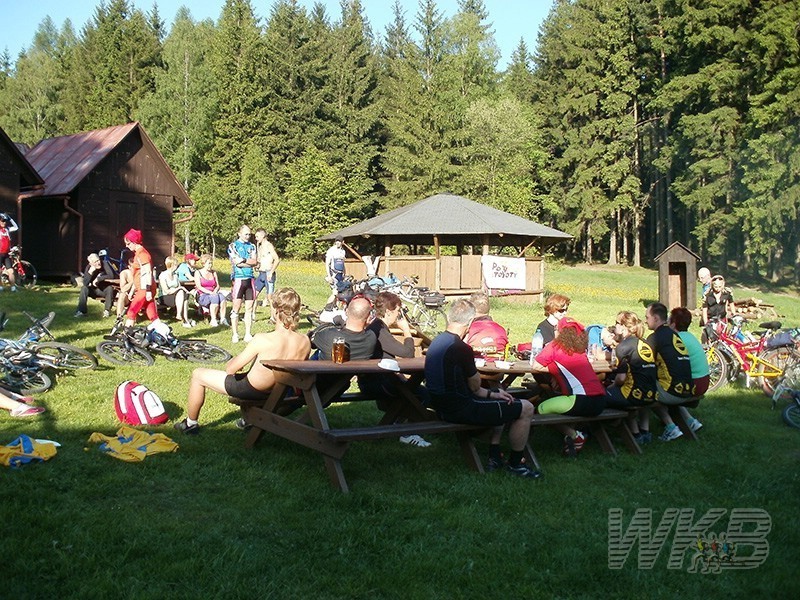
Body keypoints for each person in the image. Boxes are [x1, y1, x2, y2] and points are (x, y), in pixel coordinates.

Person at [424, 299, 541, 479]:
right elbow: (475, 385)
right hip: (461, 409)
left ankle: (494, 455)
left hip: (441, 406)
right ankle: (516, 464)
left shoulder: (437, 341)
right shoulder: (461, 348)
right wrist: (490, 392)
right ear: (470, 322)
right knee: (526, 407)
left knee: (498, 401)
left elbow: (477, 390)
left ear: (448, 317)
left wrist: (493, 393)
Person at [174, 287, 311, 434]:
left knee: (198, 374)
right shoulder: (305, 341)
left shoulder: (263, 339)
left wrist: (233, 363)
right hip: (280, 390)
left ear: (276, 310)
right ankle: (249, 420)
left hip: (252, 389)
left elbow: (231, 369)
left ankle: (190, 424)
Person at [357, 291, 430, 448]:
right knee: (422, 394)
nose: (399, 315)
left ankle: (399, 424)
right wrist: (406, 331)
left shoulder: (377, 327)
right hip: (378, 383)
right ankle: (407, 432)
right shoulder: (380, 330)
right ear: (389, 311)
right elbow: (407, 353)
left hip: (374, 380)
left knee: (416, 392)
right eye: (398, 311)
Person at [530, 316, 607, 457]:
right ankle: (573, 437)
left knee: (539, 409)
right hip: (600, 401)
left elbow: (536, 365)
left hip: (579, 400)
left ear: (559, 331)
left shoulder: (555, 346)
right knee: (561, 404)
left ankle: (574, 435)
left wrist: (555, 370)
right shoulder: (580, 351)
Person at [603, 311, 658, 444]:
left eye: (616, 324)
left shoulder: (623, 347)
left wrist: (610, 387)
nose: (614, 327)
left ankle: (634, 434)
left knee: (601, 395)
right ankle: (644, 432)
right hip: (652, 393)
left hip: (634, 394)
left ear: (622, 327)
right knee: (636, 394)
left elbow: (621, 379)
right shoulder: (645, 343)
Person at [645, 302, 695, 441]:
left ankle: (671, 427)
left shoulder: (655, 338)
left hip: (674, 391)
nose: (645, 320)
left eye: (647, 317)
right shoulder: (673, 335)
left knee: (644, 390)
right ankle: (689, 421)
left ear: (655, 318)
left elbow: (645, 364)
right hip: (689, 389)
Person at [669, 307, 707, 432]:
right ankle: (690, 421)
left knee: (658, 391)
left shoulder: (677, 340)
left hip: (694, 384)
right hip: (704, 381)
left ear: (673, 323)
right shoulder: (690, 336)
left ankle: (669, 426)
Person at [122, 229, 163, 330]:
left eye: (128, 243)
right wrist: (132, 290)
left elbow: (147, 272)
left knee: (132, 311)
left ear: (134, 241)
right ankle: (163, 332)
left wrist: (148, 290)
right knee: (152, 314)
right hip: (142, 288)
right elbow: (137, 275)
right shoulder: (138, 254)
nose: (127, 246)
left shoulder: (142, 254)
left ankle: (126, 336)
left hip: (145, 288)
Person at [227, 225, 258, 343]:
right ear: (239, 233)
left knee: (249, 307)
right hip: (239, 279)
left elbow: (255, 261)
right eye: (246, 234)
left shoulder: (252, 246)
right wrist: (247, 262)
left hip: (250, 279)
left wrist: (244, 261)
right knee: (236, 307)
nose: (248, 236)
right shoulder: (233, 246)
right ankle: (235, 334)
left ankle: (248, 333)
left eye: (249, 234)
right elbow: (236, 263)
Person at [464, 292, 508, 357]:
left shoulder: (468, 330)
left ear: (471, 310)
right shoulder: (501, 330)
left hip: (473, 366)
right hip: (497, 365)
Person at [74, 252, 116, 318]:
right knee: (84, 288)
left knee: (109, 288)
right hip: (94, 290)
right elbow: (85, 283)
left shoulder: (105, 263)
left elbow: (111, 275)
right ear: (91, 264)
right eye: (95, 262)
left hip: (103, 290)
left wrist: (99, 279)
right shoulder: (89, 268)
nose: (98, 263)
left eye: (98, 260)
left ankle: (107, 311)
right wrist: (90, 273)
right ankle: (82, 311)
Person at [194, 254, 229, 327]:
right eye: (209, 263)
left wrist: (215, 290)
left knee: (222, 297)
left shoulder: (213, 272)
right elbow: (199, 287)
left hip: (213, 292)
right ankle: (213, 319)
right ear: (204, 264)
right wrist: (210, 293)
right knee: (214, 297)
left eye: (211, 263)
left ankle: (223, 318)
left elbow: (217, 285)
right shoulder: (198, 273)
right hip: (203, 295)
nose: (210, 265)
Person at [158, 256, 193, 328]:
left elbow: (179, 287)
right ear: (172, 265)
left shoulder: (175, 275)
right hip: (165, 297)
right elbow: (166, 291)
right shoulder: (163, 275)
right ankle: (181, 316)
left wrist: (183, 290)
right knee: (181, 292)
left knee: (185, 296)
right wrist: (179, 288)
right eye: (176, 265)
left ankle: (185, 319)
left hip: (175, 295)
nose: (177, 267)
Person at [253, 228, 280, 319]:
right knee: (254, 294)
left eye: (257, 236)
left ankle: (273, 317)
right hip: (261, 274)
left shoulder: (269, 246)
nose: (256, 238)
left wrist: (271, 272)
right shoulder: (259, 246)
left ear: (262, 235)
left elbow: (277, 259)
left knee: (270, 298)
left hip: (268, 274)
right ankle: (252, 315)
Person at [324, 235, 347, 307]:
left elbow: (343, 264)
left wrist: (344, 274)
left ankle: (334, 307)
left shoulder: (343, 251)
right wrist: (329, 276)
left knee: (340, 293)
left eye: (339, 241)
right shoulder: (331, 251)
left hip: (340, 275)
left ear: (342, 242)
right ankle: (327, 307)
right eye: (336, 241)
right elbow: (327, 264)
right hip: (333, 274)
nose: (338, 243)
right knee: (335, 293)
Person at [0, 213, 19, 291]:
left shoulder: (7, 229)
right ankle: (0, 287)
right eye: (2, 221)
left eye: (4, 221)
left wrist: (10, 219)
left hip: (6, 254)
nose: (4, 223)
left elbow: (16, 227)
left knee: (11, 271)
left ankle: (13, 287)